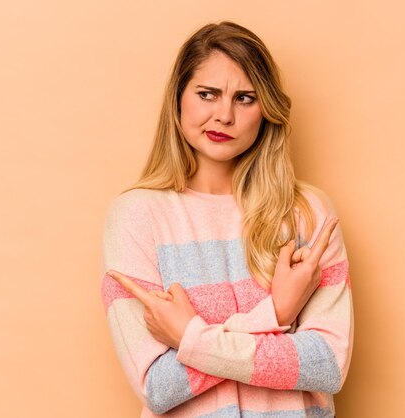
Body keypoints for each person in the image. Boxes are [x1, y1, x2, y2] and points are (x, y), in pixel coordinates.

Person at [101, 21, 353, 418]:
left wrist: (190, 338)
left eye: (245, 98)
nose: (224, 115)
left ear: (266, 110)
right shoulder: (137, 217)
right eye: (207, 94)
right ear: (179, 99)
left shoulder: (308, 212)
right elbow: (158, 386)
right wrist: (277, 316)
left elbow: (326, 365)